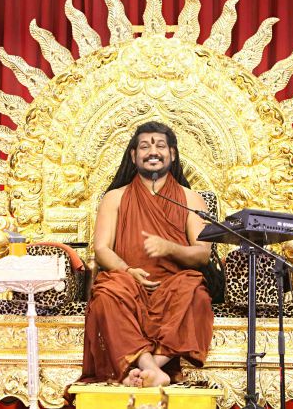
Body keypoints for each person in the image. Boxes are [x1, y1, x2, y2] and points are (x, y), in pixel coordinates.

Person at [80, 121, 214, 388]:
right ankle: (152, 369)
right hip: (128, 282)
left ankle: (148, 368)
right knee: (106, 293)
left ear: (172, 153)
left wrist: (170, 248)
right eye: (144, 146)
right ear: (133, 156)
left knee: (197, 294)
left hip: (174, 285)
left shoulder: (191, 199)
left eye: (160, 146)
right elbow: (102, 248)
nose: (153, 151)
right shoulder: (115, 198)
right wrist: (128, 271)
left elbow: (203, 254)